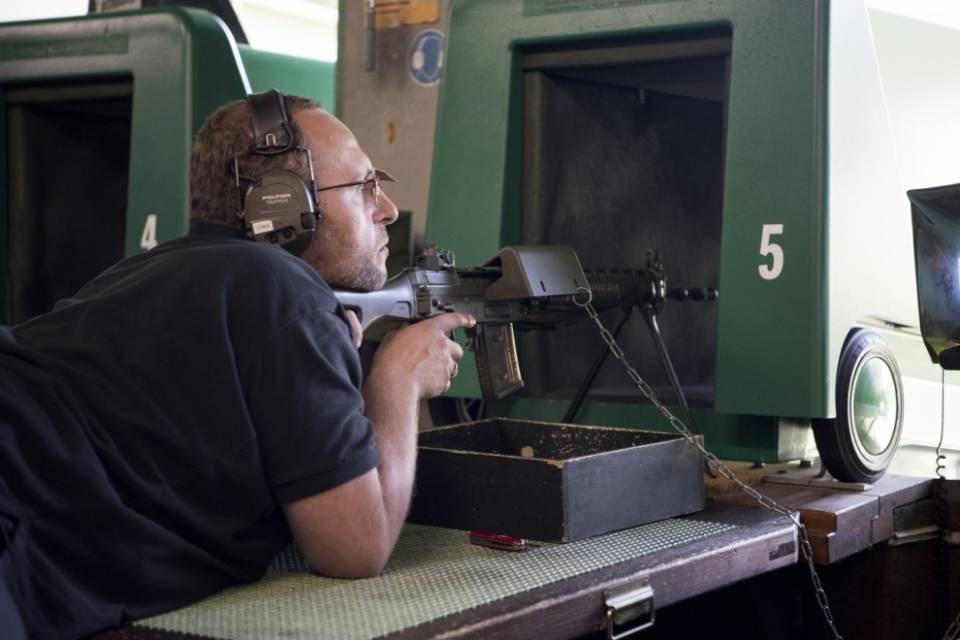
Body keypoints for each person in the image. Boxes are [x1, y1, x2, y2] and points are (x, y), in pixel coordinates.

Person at [0, 92, 472, 639]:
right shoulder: (283, 289)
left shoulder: (149, 272)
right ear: (283, 202)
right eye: (364, 185)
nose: (387, 208)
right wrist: (398, 378)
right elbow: (354, 548)